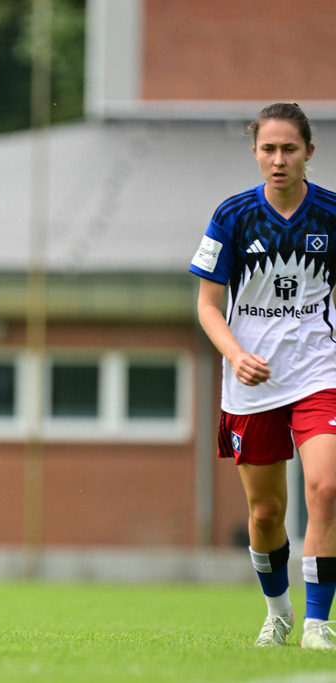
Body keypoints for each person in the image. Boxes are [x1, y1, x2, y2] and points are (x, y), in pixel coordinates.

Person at [190, 102, 336, 650]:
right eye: (268, 149)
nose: (278, 160)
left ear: (308, 153)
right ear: (255, 153)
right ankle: (278, 615)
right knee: (267, 510)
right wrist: (234, 354)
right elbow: (207, 305)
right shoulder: (231, 217)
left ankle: (319, 625)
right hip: (251, 384)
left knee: (326, 487)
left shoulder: (331, 214)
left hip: (320, 372)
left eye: (289, 149)